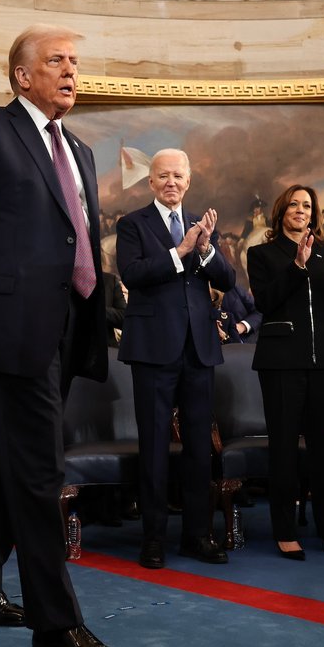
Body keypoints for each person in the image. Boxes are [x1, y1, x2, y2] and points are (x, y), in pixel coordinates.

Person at [0, 23, 137, 647]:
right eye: (56, 60)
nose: (71, 71)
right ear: (22, 75)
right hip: (6, 327)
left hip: (67, 330)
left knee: (22, 462)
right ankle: (56, 627)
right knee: (43, 473)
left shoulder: (78, 150)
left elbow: (78, 240)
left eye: (76, 61)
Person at [115, 148, 234, 569]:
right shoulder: (132, 224)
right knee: (154, 446)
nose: (170, 182)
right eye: (162, 175)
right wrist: (179, 251)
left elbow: (227, 279)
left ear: (188, 181)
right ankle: (153, 538)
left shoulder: (203, 225)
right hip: (152, 350)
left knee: (200, 447)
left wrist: (203, 249)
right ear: (150, 182)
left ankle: (197, 535)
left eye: (177, 176)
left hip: (198, 349)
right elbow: (132, 274)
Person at [246, 185, 324, 561]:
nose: (300, 210)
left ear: (314, 213)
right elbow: (265, 300)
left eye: (307, 205)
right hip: (281, 362)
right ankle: (285, 530)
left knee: (323, 447)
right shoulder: (261, 253)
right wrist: (298, 266)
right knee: (284, 447)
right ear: (281, 212)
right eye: (294, 204)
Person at [102, 271, 127, 345]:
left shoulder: (110, 280)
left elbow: (124, 318)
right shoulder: (67, 278)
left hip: (105, 347)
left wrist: (100, 310)